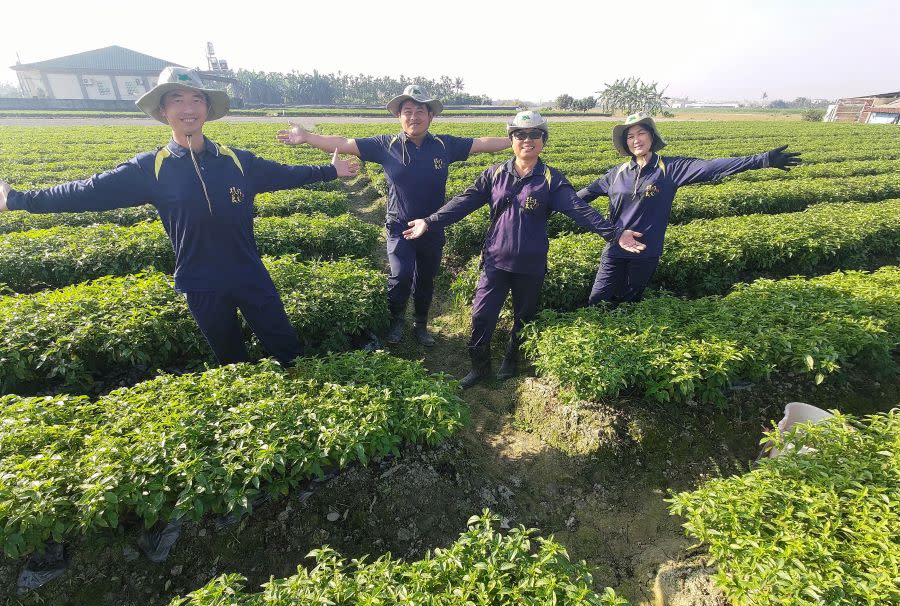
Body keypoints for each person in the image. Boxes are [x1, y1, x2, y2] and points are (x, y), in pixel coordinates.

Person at [0, 66, 359, 367]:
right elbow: (87, 192)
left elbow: (285, 174)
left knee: (287, 348)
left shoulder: (237, 160)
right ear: (163, 111)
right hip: (200, 283)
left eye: (196, 99)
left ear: (206, 108)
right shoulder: (150, 168)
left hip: (250, 274)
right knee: (232, 359)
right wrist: (16, 199)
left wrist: (331, 172)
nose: (188, 107)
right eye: (177, 99)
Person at [404, 111, 645, 388]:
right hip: (495, 261)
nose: (527, 140)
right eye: (520, 134)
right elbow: (463, 202)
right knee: (481, 316)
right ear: (511, 139)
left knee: (524, 317)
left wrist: (614, 234)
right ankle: (479, 368)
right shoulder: (494, 174)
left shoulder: (551, 180)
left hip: (530, 266)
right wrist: (430, 221)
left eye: (534, 135)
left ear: (543, 140)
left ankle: (511, 360)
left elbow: (579, 210)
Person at [277, 85, 511, 347]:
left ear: (430, 116)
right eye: (407, 111)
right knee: (400, 276)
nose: (414, 117)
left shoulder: (444, 145)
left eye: (420, 111)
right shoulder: (384, 145)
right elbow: (342, 143)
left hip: (432, 227)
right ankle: (396, 319)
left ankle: (421, 323)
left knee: (426, 278)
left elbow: (481, 143)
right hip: (399, 226)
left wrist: (514, 139)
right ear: (399, 117)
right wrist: (307, 136)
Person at [577, 111, 801, 306]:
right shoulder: (616, 174)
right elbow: (581, 198)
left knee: (628, 301)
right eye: (630, 136)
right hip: (615, 249)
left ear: (651, 136)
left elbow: (710, 167)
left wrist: (762, 160)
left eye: (641, 133)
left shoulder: (671, 168)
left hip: (646, 252)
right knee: (597, 300)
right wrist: (549, 202)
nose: (636, 140)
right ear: (626, 143)